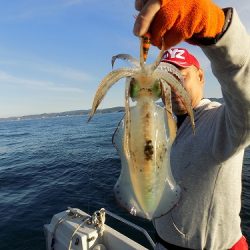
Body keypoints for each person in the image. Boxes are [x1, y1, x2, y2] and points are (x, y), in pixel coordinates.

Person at [132, 0, 250, 249]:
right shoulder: (162, 126)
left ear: (200, 76)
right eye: (165, 80)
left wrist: (215, 27)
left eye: (181, 76)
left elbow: (245, 93)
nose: (173, 87)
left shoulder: (224, 123)